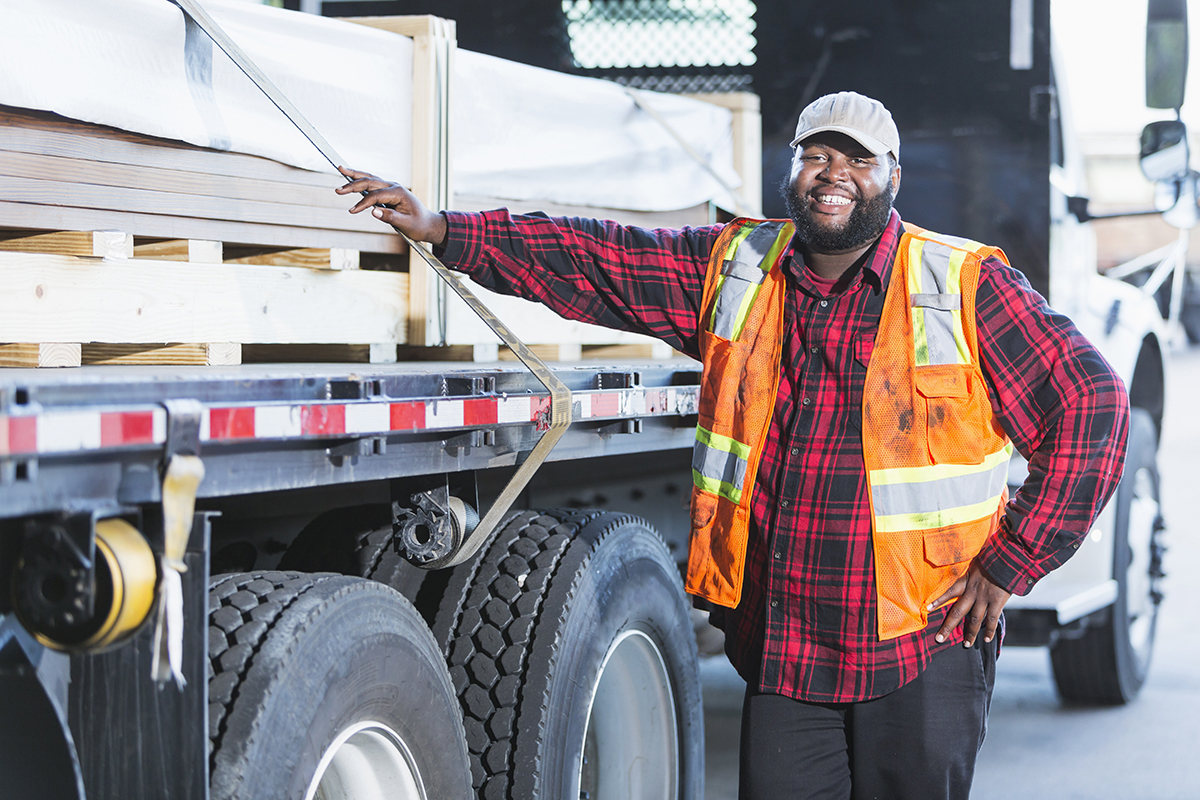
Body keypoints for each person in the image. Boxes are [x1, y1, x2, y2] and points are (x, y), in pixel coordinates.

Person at [337, 91, 1130, 800]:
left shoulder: (960, 283)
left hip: (922, 643)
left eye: (857, 159)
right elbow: (595, 258)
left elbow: (1093, 405)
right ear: (793, 169)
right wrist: (446, 231)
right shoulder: (738, 269)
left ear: (891, 176)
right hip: (785, 646)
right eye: (817, 154)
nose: (833, 173)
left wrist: (1012, 560)